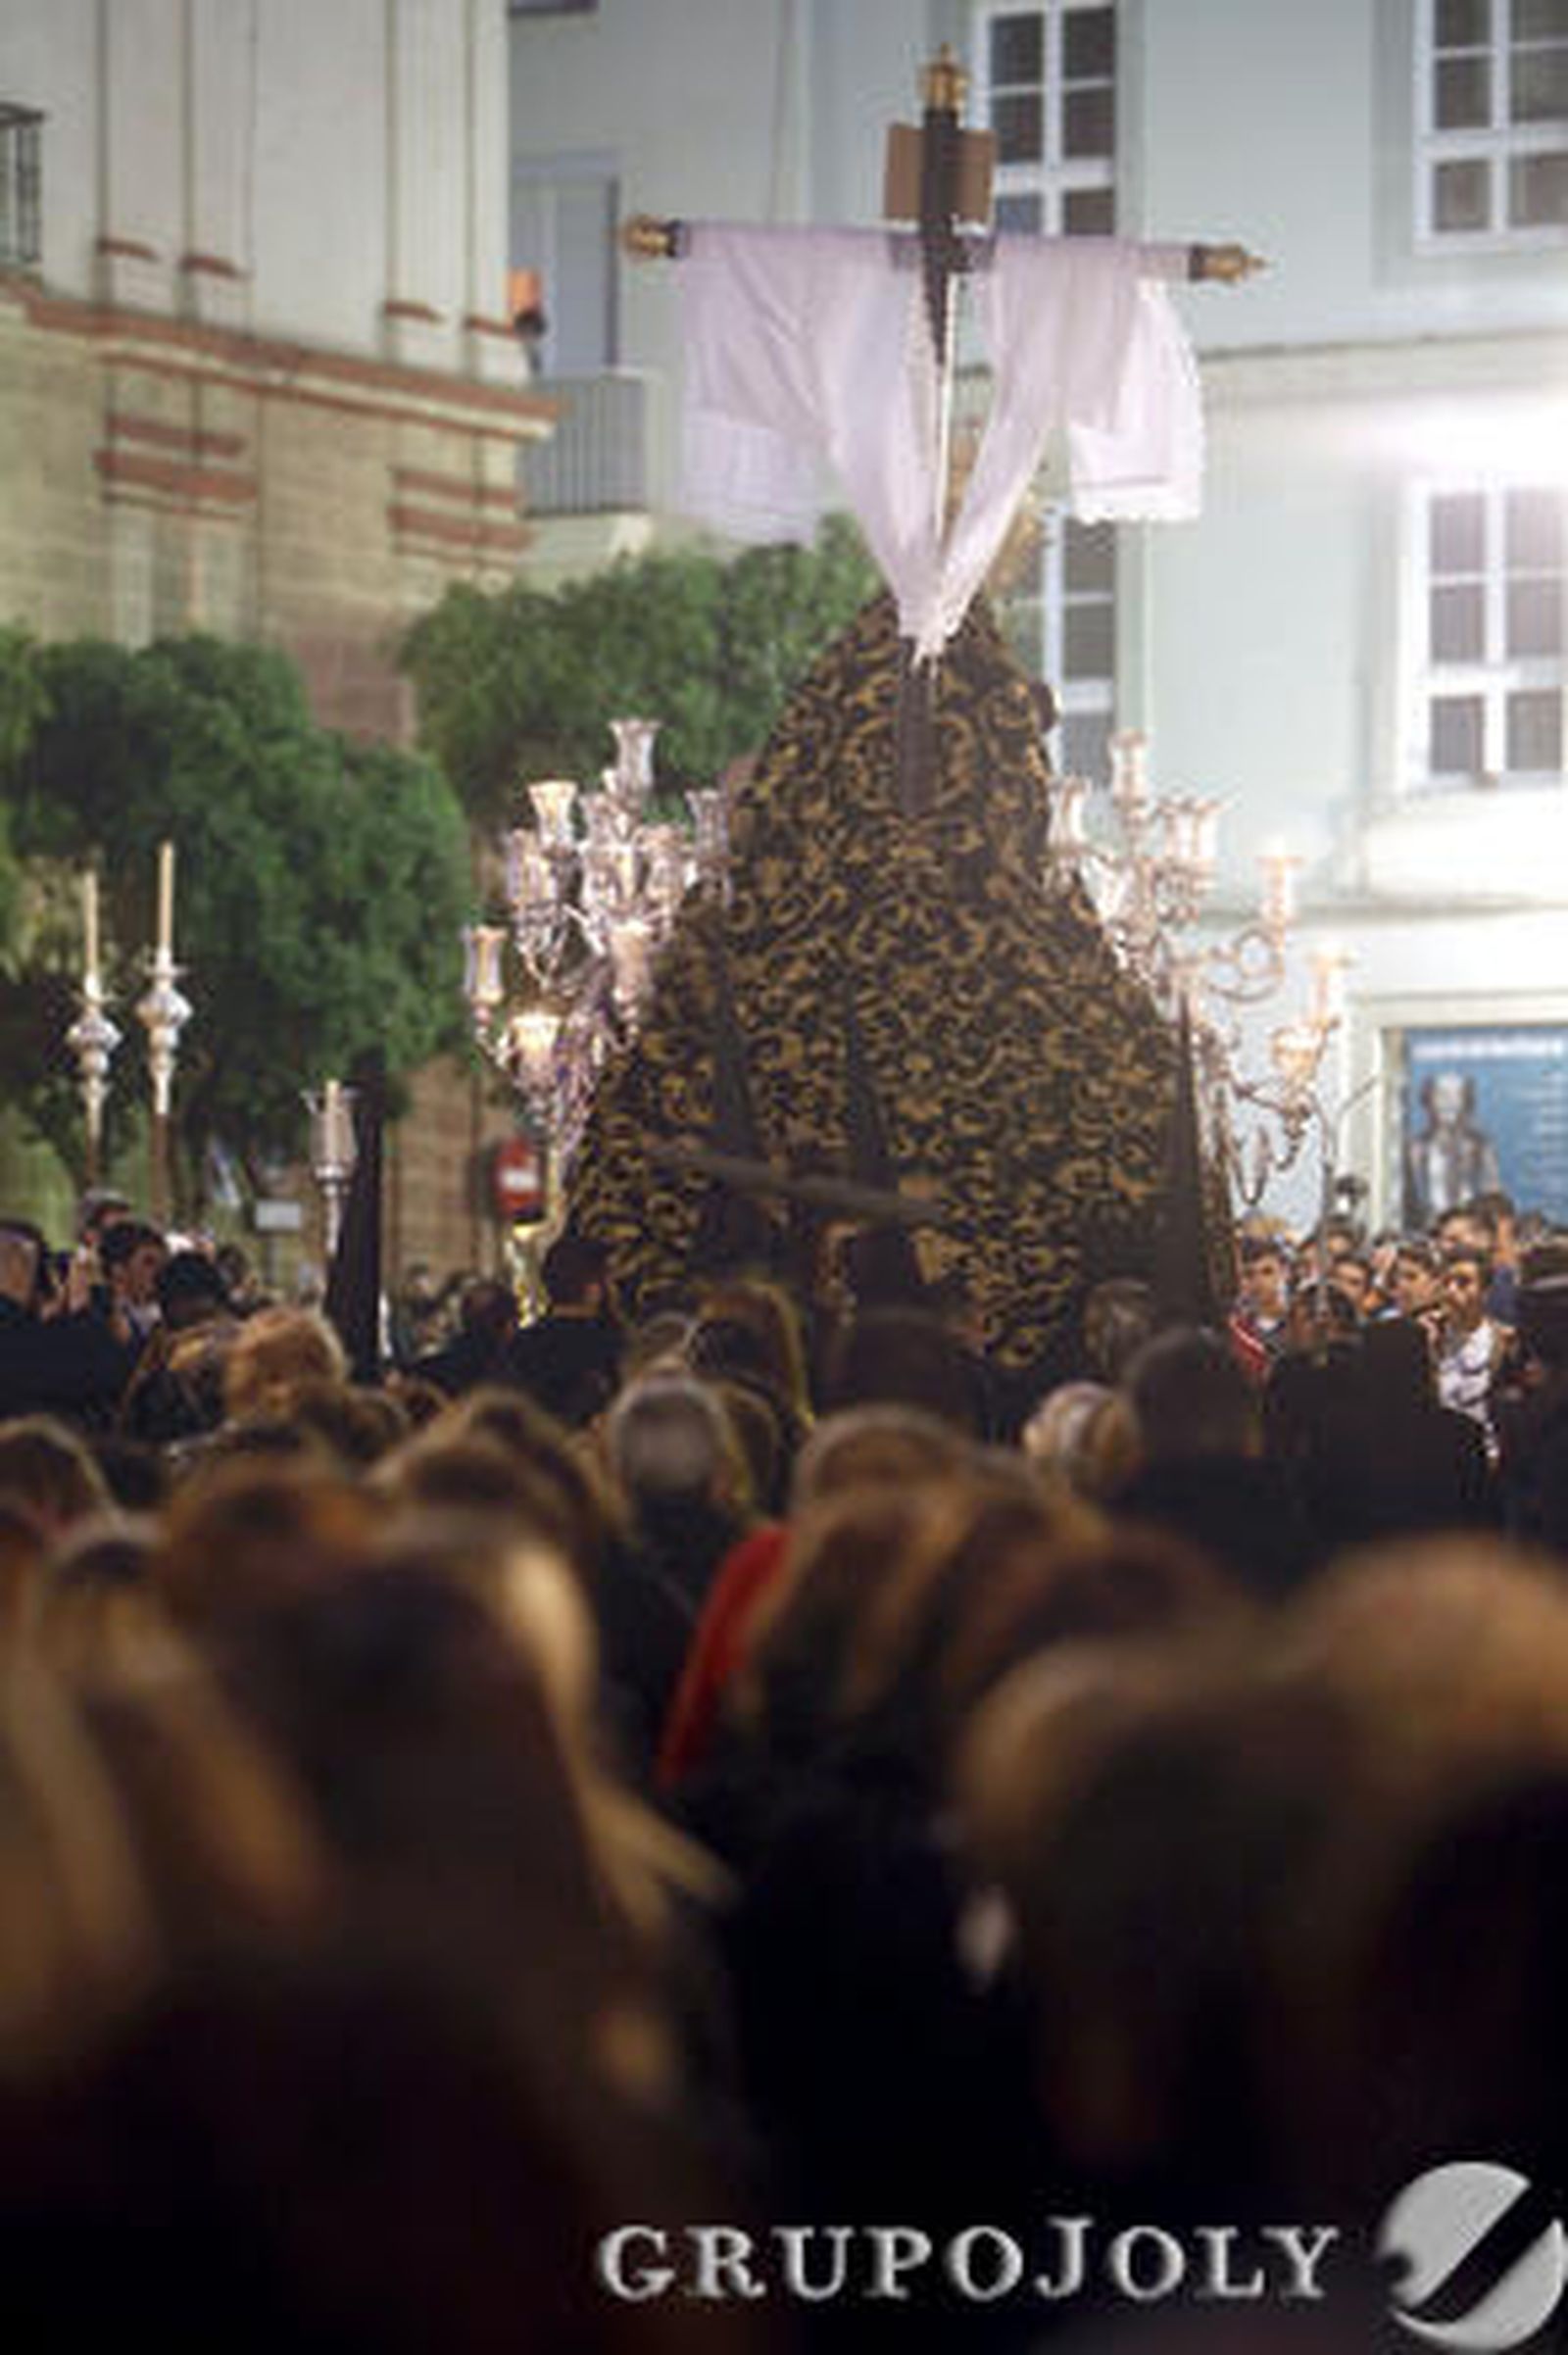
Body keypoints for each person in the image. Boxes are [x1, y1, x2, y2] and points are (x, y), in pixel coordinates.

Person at [1405, 1068, 1500, 1227]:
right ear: (1428, 1101)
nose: (1448, 1103)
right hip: (1428, 1230)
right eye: (1441, 1095)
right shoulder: (1415, 1149)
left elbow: (1492, 1193)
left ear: (1466, 1103)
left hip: (1469, 1231)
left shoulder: (1481, 1147)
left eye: (1456, 1096)